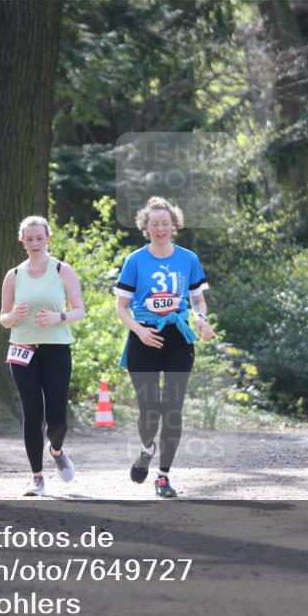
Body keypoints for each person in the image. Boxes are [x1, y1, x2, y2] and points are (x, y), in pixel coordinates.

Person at [114, 197, 215, 498]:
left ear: (174, 226)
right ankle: (147, 449)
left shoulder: (188, 259)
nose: (160, 228)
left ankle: (163, 477)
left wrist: (200, 319)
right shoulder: (135, 261)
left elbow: (198, 300)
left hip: (177, 338)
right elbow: (121, 308)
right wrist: (140, 332)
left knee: (172, 409)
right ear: (145, 228)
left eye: (165, 223)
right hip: (143, 337)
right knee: (149, 412)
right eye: (154, 224)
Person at [0, 216, 85, 497]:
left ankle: (56, 450)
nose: (35, 243)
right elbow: (4, 318)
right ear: (21, 241)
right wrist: (13, 315)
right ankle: (36, 477)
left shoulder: (62, 270)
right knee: (32, 412)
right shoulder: (14, 275)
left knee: (57, 418)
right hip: (23, 347)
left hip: (56, 348)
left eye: (39, 238)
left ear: (48, 239)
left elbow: (79, 311)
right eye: (29, 238)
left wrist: (59, 317)